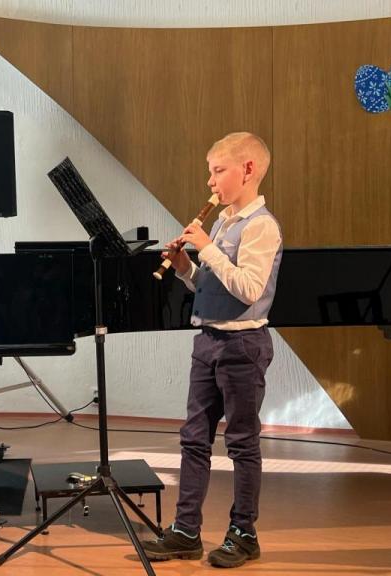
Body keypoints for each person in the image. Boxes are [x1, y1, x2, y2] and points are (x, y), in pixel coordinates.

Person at [143, 133, 282, 568]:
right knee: (194, 438)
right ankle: (186, 531)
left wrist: (205, 248)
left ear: (248, 170)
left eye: (218, 170)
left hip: (243, 344)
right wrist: (187, 268)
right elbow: (212, 284)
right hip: (207, 341)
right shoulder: (222, 222)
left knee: (241, 443)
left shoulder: (261, 225)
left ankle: (244, 534)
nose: (210, 181)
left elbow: (249, 288)